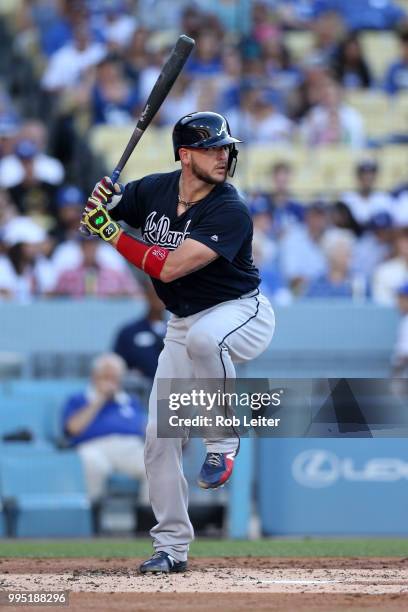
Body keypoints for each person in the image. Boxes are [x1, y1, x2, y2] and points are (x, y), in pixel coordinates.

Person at [80, 111, 275, 573]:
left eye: (226, 148)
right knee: (157, 439)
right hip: (181, 324)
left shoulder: (230, 208)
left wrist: (110, 231)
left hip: (240, 313)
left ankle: (222, 442)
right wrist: (100, 206)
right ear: (185, 155)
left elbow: (166, 268)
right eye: (212, 148)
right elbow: (99, 216)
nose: (224, 156)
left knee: (208, 339)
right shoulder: (153, 190)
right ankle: (171, 547)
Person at [62, 353, 147, 502]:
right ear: (94, 376)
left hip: (130, 447)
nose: (110, 382)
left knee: (159, 464)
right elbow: (73, 429)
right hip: (93, 447)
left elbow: (142, 428)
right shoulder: (78, 399)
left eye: (114, 377)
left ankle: (150, 519)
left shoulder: (129, 400)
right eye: (105, 377)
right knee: (92, 464)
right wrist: (100, 399)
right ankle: (94, 516)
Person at [113, 280, 166, 380]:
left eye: (163, 293)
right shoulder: (128, 332)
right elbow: (117, 365)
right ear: (146, 296)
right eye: (155, 293)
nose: (159, 298)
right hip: (139, 391)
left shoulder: (177, 331)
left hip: (170, 390)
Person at [341, 160, 392, 226]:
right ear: (358, 176)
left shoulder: (384, 199)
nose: (367, 177)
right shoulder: (347, 199)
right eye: (364, 174)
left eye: (370, 174)